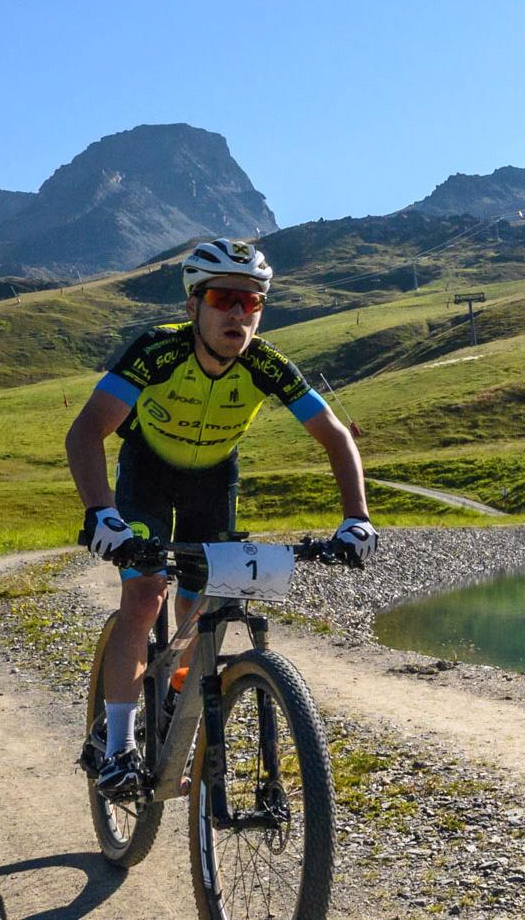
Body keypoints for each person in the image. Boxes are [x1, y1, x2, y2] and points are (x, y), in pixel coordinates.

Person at [63, 237, 374, 796]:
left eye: (251, 302)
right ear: (192, 306)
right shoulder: (157, 351)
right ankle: (117, 747)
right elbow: (85, 431)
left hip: (214, 476)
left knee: (204, 602)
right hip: (147, 471)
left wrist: (356, 518)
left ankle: (177, 707)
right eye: (225, 298)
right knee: (146, 593)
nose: (238, 313)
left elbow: (334, 437)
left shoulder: (266, 364)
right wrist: (102, 514)